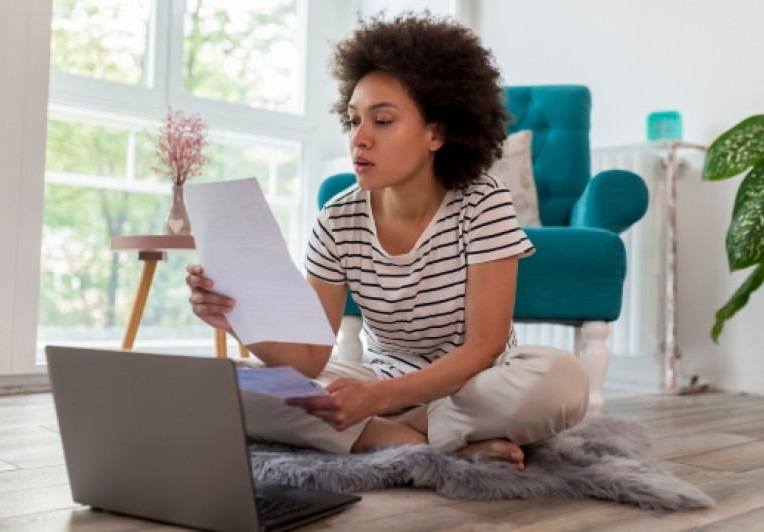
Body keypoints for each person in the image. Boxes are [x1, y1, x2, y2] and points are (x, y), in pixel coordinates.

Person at [186, 13, 588, 470]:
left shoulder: (483, 201)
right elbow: (310, 357)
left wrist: (376, 399)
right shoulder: (337, 219)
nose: (359, 139)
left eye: (382, 121)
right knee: (235, 385)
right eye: (354, 120)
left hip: (472, 384)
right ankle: (434, 445)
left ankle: (391, 433)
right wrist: (239, 320)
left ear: (436, 133)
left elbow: (485, 347)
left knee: (562, 379)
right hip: (379, 377)